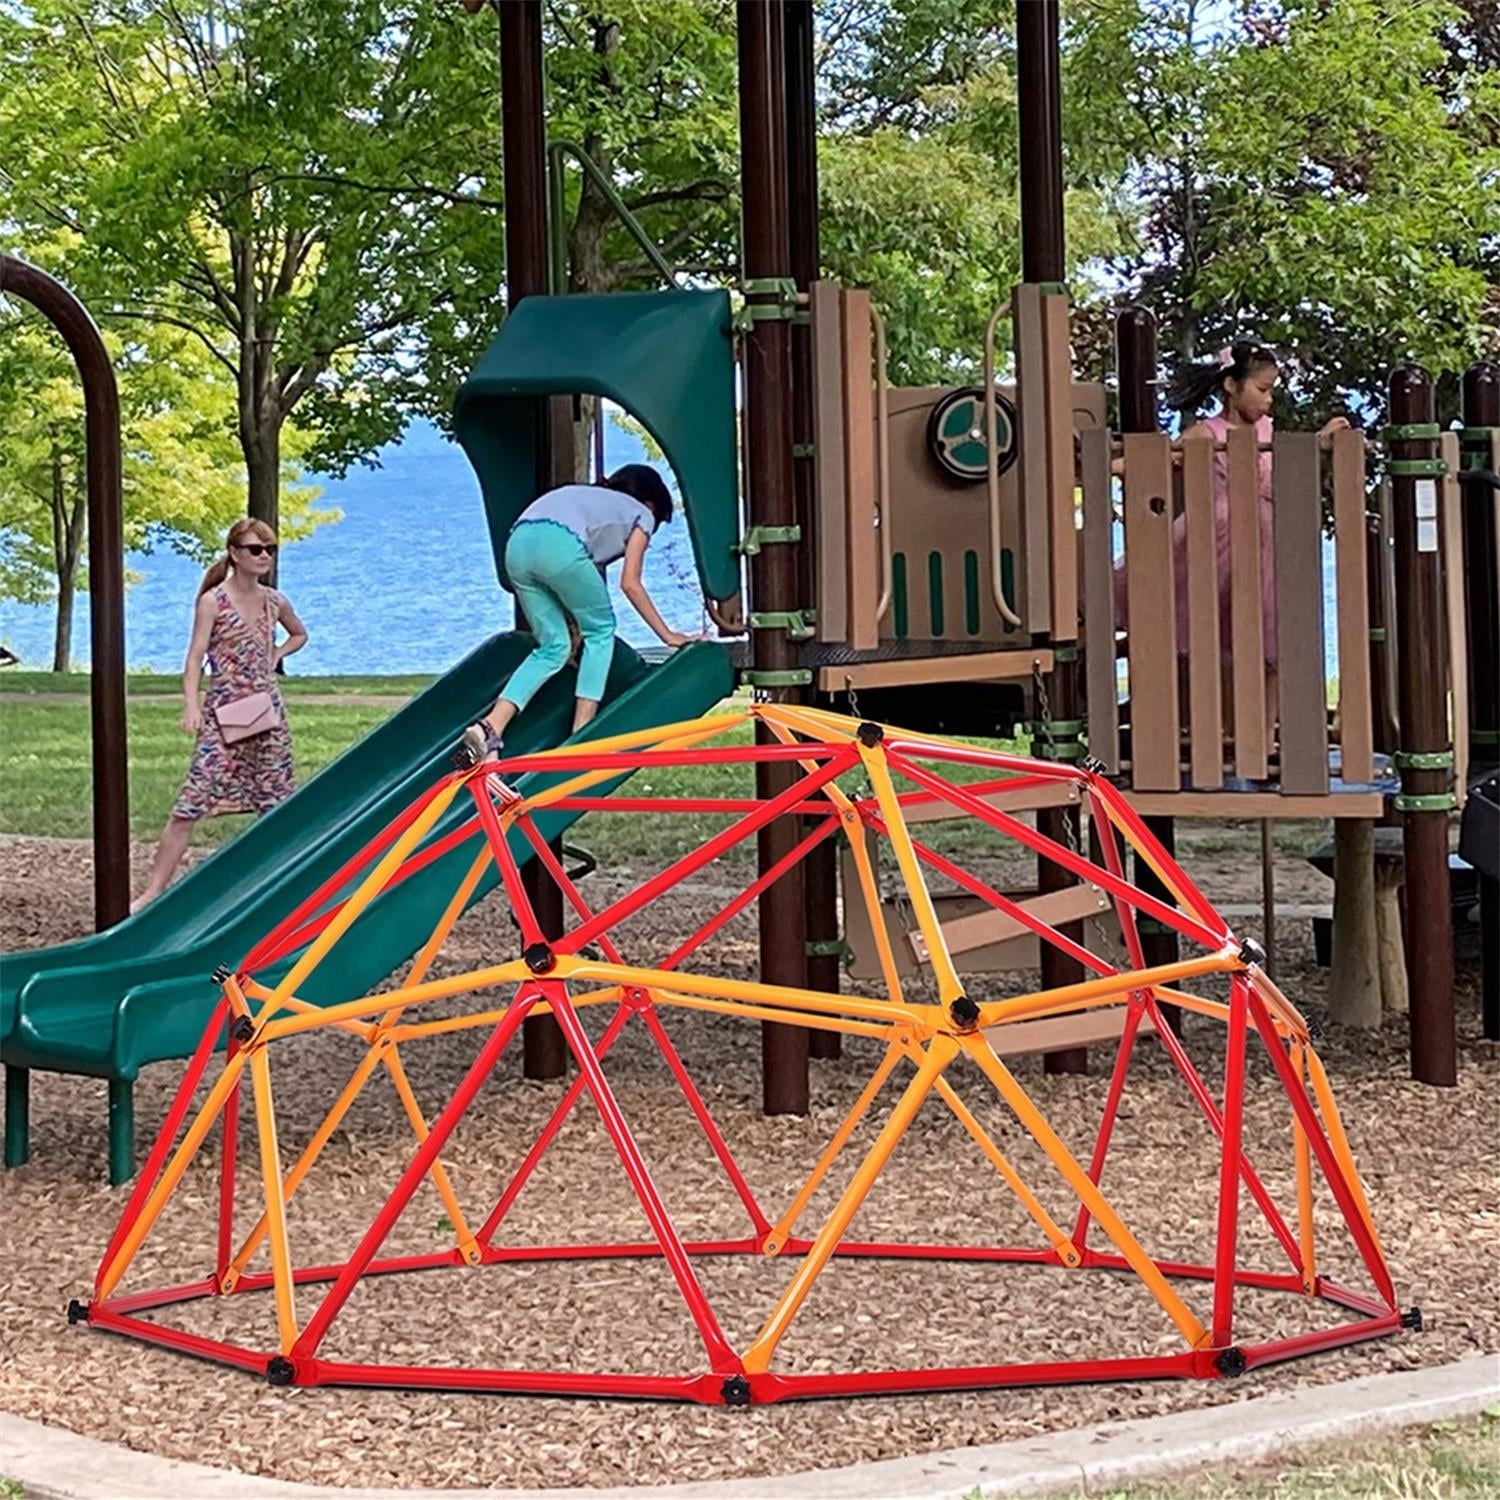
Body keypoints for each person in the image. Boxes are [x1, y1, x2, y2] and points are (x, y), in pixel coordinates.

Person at [1115, 340, 1349, 669]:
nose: (1268, 399)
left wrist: (1319, 441)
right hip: (1218, 536)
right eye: (1262, 389)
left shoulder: (1266, 428)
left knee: (1261, 629)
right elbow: (1161, 459)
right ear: (1231, 386)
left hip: (1261, 539)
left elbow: (1286, 461)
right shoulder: (1207, 432)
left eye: (1271, 391)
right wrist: (1114, 466)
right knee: (1193, 610)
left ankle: (1258, 703)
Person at [460, 465, 693, 763]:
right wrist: (668, 635)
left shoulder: (588, 500)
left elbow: (577, 585)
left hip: (517, 545)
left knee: (553, 647)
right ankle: (581, 735)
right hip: (561, 547)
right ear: (651, 504)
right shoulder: (642, 514)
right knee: (601, 631)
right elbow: (630, 583)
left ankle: (490, 727)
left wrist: (573, 628)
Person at [132, 518, 308, 911]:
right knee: (191, 802)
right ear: (234, 553)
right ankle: (152, 892)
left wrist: (278, 654)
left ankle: (282, 890)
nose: (264, 556)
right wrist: (191, 706)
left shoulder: (274, 601)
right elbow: (194, 658)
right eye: (255, 549)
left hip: (267, 716)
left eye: (269, 550)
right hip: (223, 714)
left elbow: (299, 633)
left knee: (278, 804)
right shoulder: (213, 602)